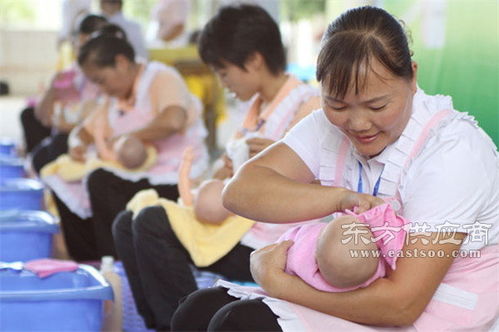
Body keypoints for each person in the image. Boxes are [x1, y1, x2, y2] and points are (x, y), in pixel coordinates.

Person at [171, 6, 499, 331]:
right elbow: (239, 191)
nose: (357, 123)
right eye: (337, 105)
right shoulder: (324, 128)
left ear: (412, 76)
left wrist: (278, 283)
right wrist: (338, 198)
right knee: (197, 311)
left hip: (432, 314)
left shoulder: (453, 151)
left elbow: (402, 306)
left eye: (377, 106)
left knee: (240, 325)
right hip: (356, 290)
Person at [111, 4, 323, 330]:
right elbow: (223, 176)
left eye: (224, 73)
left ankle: (183, 323)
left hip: (271, 240)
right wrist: (227, 168)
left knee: (153, 222)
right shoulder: (253, 112)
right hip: (236, 224)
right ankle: (162, 323)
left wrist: (271, 159)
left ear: (253, 60)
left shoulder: (306, 104)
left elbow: (316, 176)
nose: (222, 83)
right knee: (127, 223)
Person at [42, 31, 208, 262]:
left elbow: (173, 120)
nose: (101, 88)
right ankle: (88, 258)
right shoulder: (114, 96)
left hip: (175, 174)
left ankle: (117, 261)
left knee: (101, 180)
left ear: (121, 62)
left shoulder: (161, 77)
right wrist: (77, 144)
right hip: (135, 169)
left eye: (101, 80)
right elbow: (83, 131)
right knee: (62, 174)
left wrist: (127, 138)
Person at [20, 14, 108, 172]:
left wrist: (65, 126)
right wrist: (52, 90)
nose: (81, 52)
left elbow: (105, 125)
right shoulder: (72, 72)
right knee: (28, 115)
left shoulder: (106, 77)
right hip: (66, 129)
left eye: (88, 46)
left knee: (58, 143)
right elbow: (42, 116)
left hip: (82, 135)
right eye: (79, 45)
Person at [280, 203, 407, 292]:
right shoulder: (370, 275)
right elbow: (391, 242)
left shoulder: (300, 258)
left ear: (316, 255)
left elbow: (285, 244)